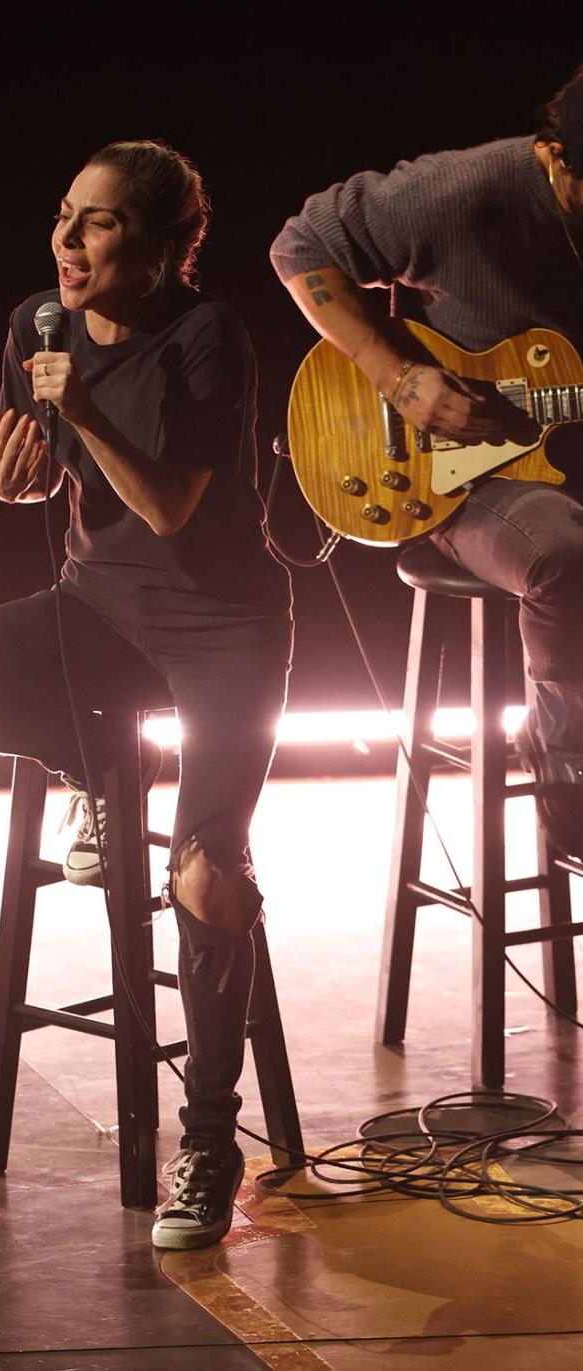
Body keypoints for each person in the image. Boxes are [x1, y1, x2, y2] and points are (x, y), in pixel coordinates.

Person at [0, 141, 293, 1249]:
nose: (70, 244)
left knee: (210, 875)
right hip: (101, 614)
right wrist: (5, 476)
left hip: (225, 630)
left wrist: (86, 414)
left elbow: (171, 507)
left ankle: (210, 1142)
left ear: (168, 248)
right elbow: (26, 467)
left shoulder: (208, 336)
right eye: (67, 217)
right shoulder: (40, 324)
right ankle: (92, 773)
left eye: (103, 224)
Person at [271, 67, 583, 860]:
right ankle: (569, 766)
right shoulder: (472, 189)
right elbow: (300, 244)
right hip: (465, 478)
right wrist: (398, 376)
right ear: (555, 157)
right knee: (565, 557)